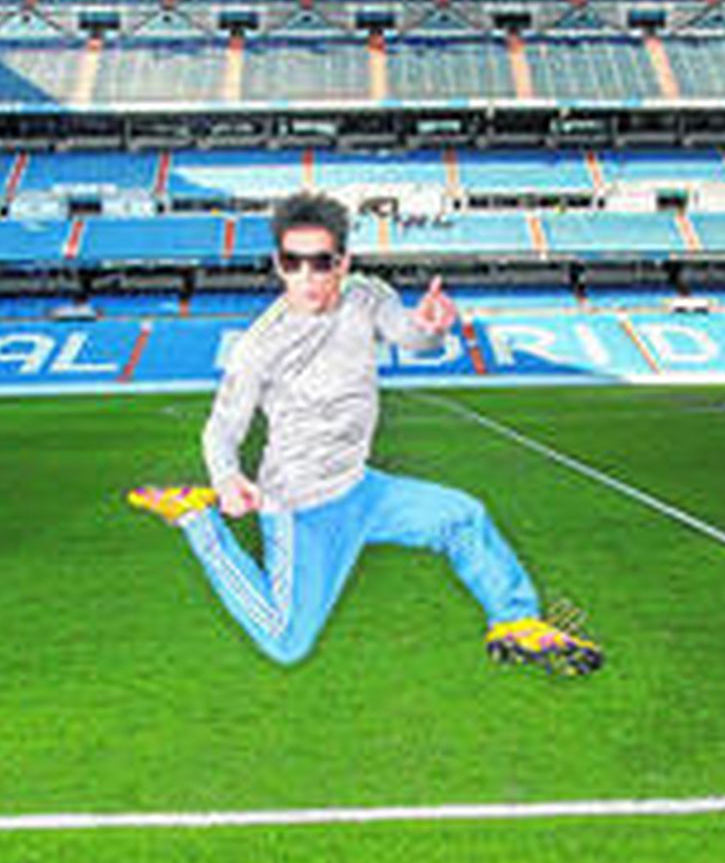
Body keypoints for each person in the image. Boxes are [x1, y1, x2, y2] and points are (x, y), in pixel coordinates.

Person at [126, 192, 602, 676]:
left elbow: (409, 335)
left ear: (343, 262)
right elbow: (222, 427)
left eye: (320, 262)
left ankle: (515, 621)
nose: (307, 276)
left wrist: (430, 327)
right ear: (277, 264)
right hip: (301, 505)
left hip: (363, 488)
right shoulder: (259, 346)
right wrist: (226, 478)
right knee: (286, 644)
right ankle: (196, 520)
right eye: (292, 262)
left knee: (462, 516)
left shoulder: (365, 296)